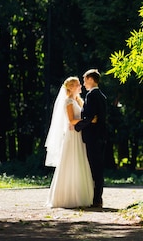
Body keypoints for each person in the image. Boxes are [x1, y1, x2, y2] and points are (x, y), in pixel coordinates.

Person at [44, 76, 94, 208]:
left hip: (78, 135)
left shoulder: (78, 100)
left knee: (79, 162)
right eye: (77, 85)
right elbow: (71, 120)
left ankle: (80, 195)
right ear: (71, 87)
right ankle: (66, 197)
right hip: (72, 136)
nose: (80, 86)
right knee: (70, 162)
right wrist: (87, 120)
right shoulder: (68, 102)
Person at [75, 69, 107, 208]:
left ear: (90, 79)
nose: (83, 83)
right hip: (100, 135)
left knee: (95, 168)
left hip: (93, 136)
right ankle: (97, 197)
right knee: (98, 167)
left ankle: (96, 199)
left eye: (84, 80)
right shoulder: (101, 95)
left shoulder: (92, 95)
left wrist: (77, 126)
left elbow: (89, 116)